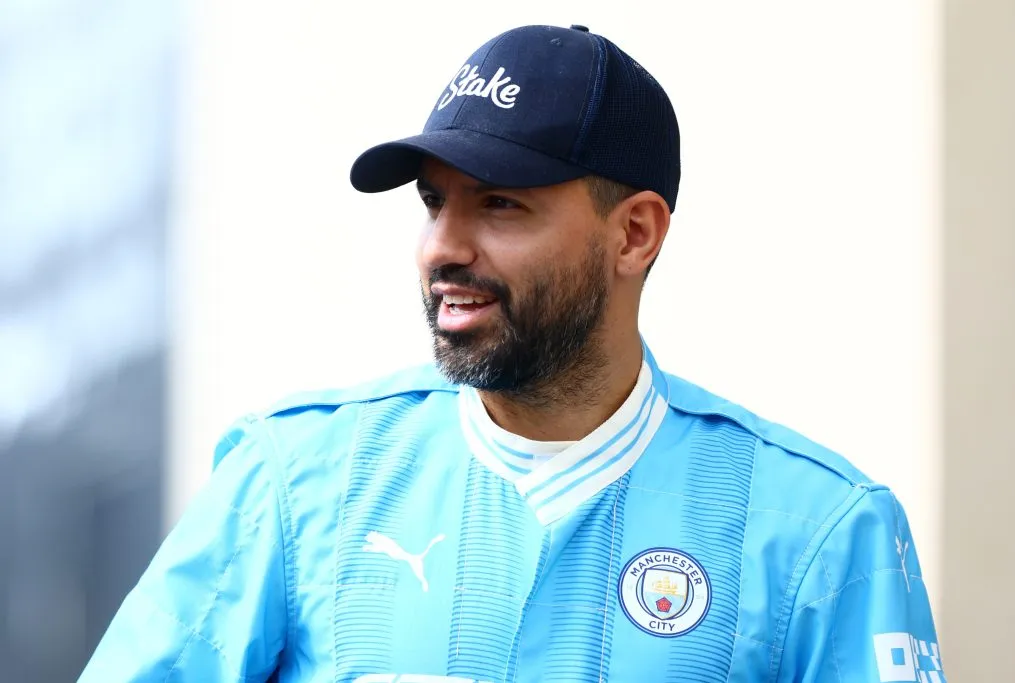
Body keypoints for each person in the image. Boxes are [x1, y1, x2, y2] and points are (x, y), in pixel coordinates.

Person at [79, 23, 944, 683]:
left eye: (499, 204)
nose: (441, 247)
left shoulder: (824, 531)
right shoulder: (293, 480)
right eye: (432, 202)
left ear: (634, 234)